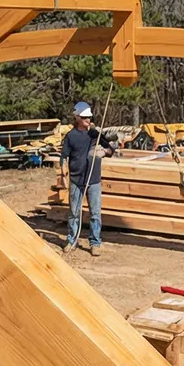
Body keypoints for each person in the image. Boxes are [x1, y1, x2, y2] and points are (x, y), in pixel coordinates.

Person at [60, 101, 114, 255]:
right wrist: (64, 177)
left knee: (95, 213)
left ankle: (95, 243)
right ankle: (72, 240)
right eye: (84, 117)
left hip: (94, 180)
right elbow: (64, 157)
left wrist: (104, 152)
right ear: (77, 117)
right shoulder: (71, 137)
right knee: (74, 212)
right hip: (77, 180)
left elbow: (111, 149)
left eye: (89, 117)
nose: (88, 120)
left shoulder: (94, 134)